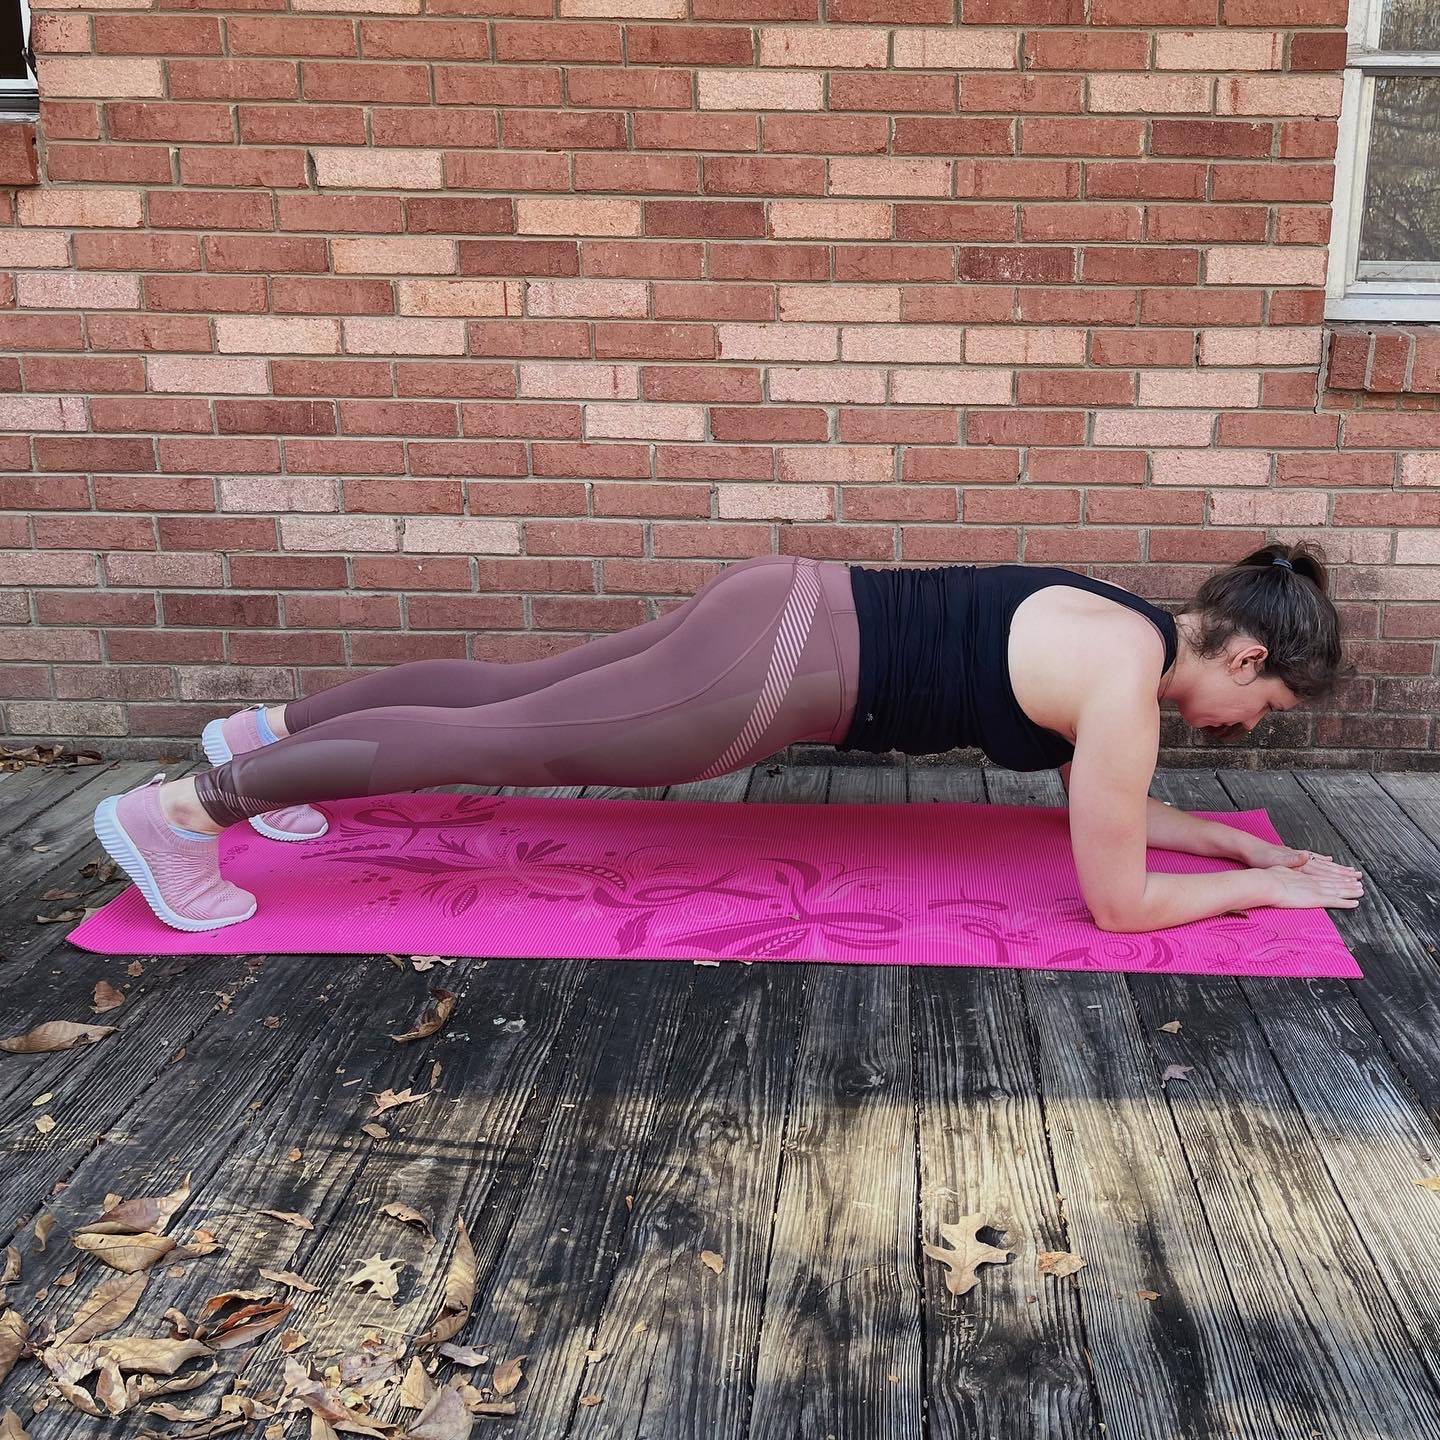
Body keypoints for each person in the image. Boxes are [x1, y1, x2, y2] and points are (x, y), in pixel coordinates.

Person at [93, 543, 1365, 935]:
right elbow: (1117, 898)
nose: (1249, 725)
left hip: (782, 601)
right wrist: (1262, 884)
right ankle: (190, 809)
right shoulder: (1128, 689)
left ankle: (265, 732)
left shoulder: (1125, 627)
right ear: (1247, 658)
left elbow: (1120, 806)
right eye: (1266, 707)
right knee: (513, 740)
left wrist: (1225, 845)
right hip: (769, 678)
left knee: (509, 689)